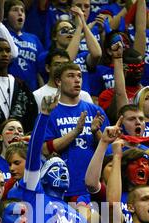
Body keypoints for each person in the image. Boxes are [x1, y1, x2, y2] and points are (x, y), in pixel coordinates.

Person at [13, 95, 100, 223]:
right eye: (55, 168)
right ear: (42, 177)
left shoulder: (78, 216)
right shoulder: (34, 196)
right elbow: (33, 155)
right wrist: (44, 115)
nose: (62, 171)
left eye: (64, 170)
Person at [43, 62, 109, 198]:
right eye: (71, 76)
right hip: (63, 187)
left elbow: (107, 151)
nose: (77, 80)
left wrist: (96, 132)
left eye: (79, 76)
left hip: (94, 186)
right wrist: (75, 132)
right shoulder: (50, 112)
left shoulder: (95, 111)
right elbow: (45, 149)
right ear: (58, 81)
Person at [3, 0, 45, 91]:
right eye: (15, 10)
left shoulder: (34, 38)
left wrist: (42, 91)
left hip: (32, 90)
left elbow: (39, 70)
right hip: (9, 88)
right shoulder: (3, 35)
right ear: (6, 16)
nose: (20, 13)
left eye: (22, 11)